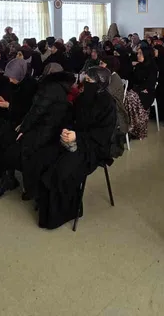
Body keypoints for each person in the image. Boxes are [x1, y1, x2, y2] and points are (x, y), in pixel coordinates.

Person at [36, 66, 116, 229]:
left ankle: (66, 212)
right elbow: (72, 118)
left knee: (62, 170)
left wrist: (77, 137)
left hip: (93, 148)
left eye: (89, 81)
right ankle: (47, 207)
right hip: (74, 140)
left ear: (100, 84)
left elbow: (103, 134)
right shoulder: (83, 98)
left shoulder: (108, 103)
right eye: (85, 80)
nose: (85, 83)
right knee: (45, 157)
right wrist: (66, 130)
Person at [0, 63, 75, 201]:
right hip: (54, 131)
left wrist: (24, 128)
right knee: (13, 142)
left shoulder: (49, 88)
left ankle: (24, 186)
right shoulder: (63, 87)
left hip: (44, 132)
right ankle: (19, 183)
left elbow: (36, 111)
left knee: (13, 146)